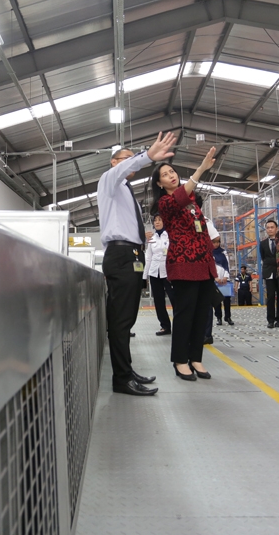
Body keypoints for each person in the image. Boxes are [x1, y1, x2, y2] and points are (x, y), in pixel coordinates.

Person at [98, 131, 178, 396]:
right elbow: (128, 166)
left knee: (128, 318)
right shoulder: (109, 180)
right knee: (120, 321)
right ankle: (121, 379)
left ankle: (126, 370)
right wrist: (146, 156)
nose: (131, 163)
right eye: (126, 159)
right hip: (120, 256)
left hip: (132, 255)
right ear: (114, 162)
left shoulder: (124, 189)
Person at [150, 147, 218, 382]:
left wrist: (212, 261)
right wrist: (201, 169)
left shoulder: (192, 204)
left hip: (204, 263)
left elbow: (203, 231)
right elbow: (181, 194)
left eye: (172, 171)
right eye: (166, 174)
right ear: (159, 184)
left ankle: (196, 358)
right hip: (184, 264)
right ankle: (180, 360)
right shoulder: (166, 203)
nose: (171, 175)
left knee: (201, 314)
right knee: (184, 314)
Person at [143, 214, 174, 336]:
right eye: (155, 220)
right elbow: (148, 258)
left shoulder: (170, 235)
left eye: (160, 220)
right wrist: (144, 277)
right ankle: (165, 326)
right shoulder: (152, 237)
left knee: (174, 299)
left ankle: (180, 325)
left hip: (168, 273)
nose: (157, 222)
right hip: (154, 273)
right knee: (159, 301)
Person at [259, 219, 279, 327]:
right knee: (270, 296)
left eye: (272, 227)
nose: (270, 229)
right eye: (268, 228)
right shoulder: (263, 243)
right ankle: (270, 320)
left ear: (276, 229)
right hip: (269, 273)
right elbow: (263, 257)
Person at [211, 233, 234, 326]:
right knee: (216, 300)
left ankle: (228, 317)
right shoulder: (209, 253)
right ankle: (219, 317)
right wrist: (215, 277)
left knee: (227, 299)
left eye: (217, 242)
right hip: (215, 280)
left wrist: (225, 277)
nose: (216, 244)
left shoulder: (223, 252)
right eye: (214, 242)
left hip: (224, 280)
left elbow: (227, 265)